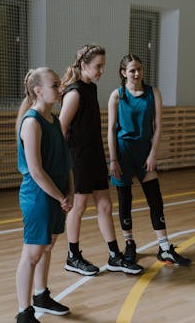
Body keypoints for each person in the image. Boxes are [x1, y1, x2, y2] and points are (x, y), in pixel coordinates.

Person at [59, 45, 143, 277]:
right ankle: (73, 256)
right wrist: (67, 162)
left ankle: (115, 255)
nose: (102, 70)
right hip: (79, 159)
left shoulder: (91, 89)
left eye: (103, 66)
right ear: (84, 65)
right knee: (78, 207)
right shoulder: (74, 92)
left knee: (105, 205)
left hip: (94, 156)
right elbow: (61, 129)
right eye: (98, 66)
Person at [108, 54, 191, 266]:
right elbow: (110, 130)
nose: (137, 73)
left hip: (145, 153)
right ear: (123, 73)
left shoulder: (153, 93)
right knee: (125, 201)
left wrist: (153, 154)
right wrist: (113, 160)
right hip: (123, 152)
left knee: (155, 199)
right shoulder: (117, 96)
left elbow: (159, 126)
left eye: (139, 69)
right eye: (132, 70)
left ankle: (164, 247)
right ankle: (129, 243)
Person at [15, 67, 74, 323]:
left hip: (56, 194)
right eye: (55, 85)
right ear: (38, 90)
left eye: (60, 84)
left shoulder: (54, 119)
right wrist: (61, 197)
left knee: (47, 246)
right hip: (38, 197)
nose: (60, 89)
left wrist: (70, 189)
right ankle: (23, 312)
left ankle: (41, 295)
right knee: (32, 254)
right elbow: (37, 172)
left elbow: (64, 160)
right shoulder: (31, 122)